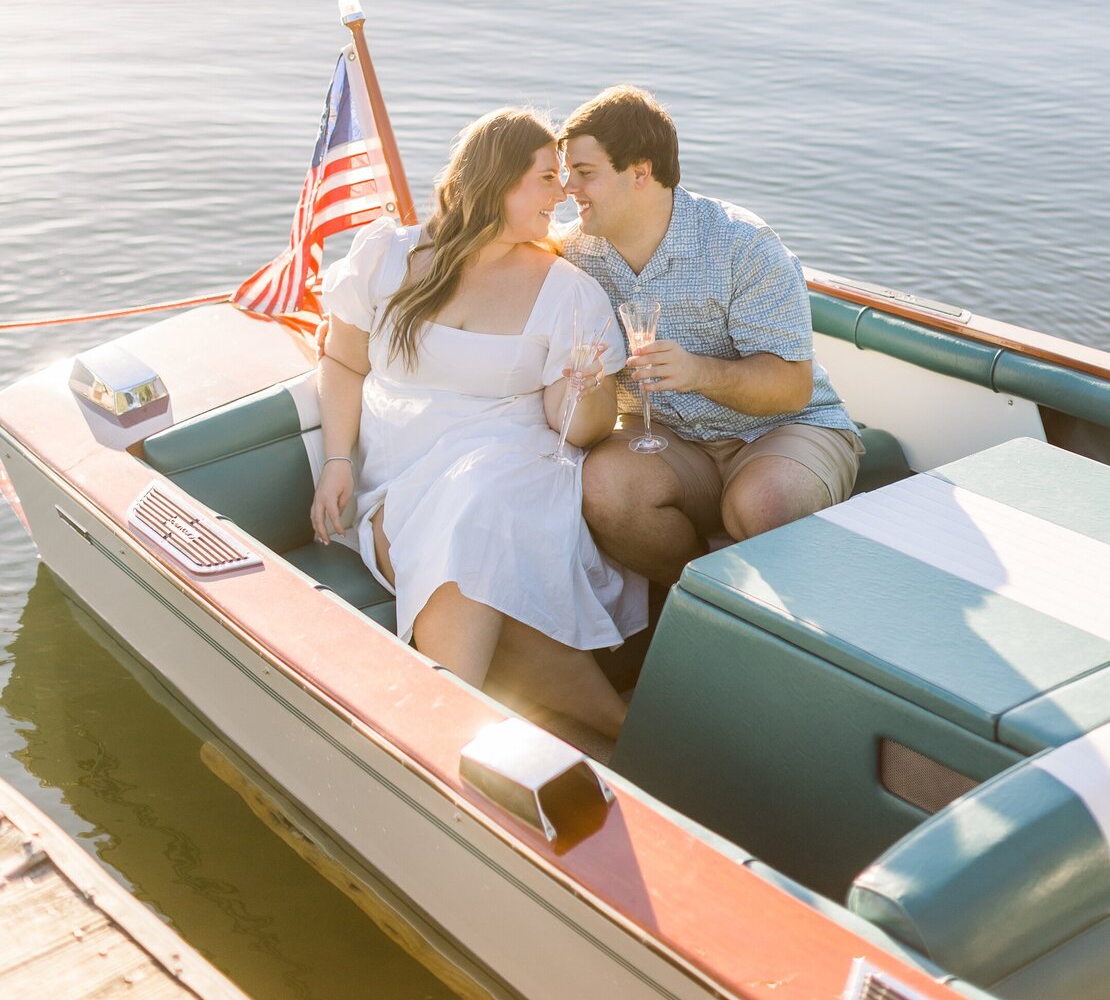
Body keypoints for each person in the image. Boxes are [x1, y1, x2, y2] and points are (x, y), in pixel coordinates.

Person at [309, 108, 646, 740]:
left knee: (477, 504)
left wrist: (585, 385)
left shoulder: (567, 291)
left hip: (517, 474)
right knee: (479, 553)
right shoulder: (388, 255)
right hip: (403, 482)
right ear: (495, 182)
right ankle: (628, 736)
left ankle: (436, 734)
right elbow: (341, 360)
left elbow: (577, 429)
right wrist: (335, 460)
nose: (564, 192)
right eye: (546, 177)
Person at [558, 87, 861, 588]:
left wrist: (698, 371)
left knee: (765, 505)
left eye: (585, 173)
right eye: (567, 172)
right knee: (606, 490)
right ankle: (700, 604)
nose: (569, 187)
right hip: (669, 440)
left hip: (784, 429)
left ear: (640, 172)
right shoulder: (571, 255)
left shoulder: (741, 244)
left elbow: (793, 387)